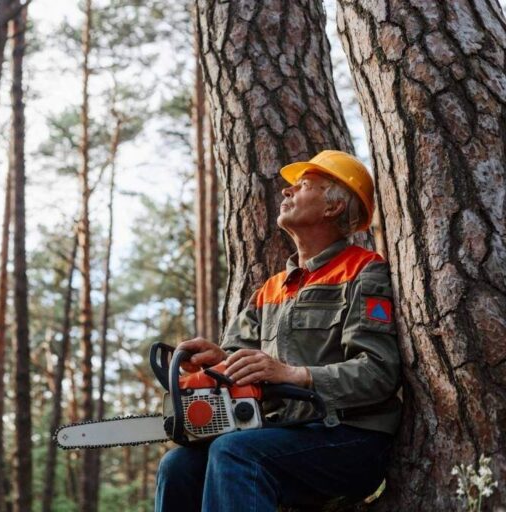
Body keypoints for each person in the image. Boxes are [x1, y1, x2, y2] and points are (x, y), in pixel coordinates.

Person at [155, 150, 402, 512]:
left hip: (351, 437)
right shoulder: (271, 290)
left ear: (333, 207)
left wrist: (295, 375)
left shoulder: (365, 272)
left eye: (302, 186)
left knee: (236, 452)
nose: (286, 192)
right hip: (282, 434)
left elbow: (379, 372)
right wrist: (219, 362)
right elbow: (236, 362)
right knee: (178, 465)